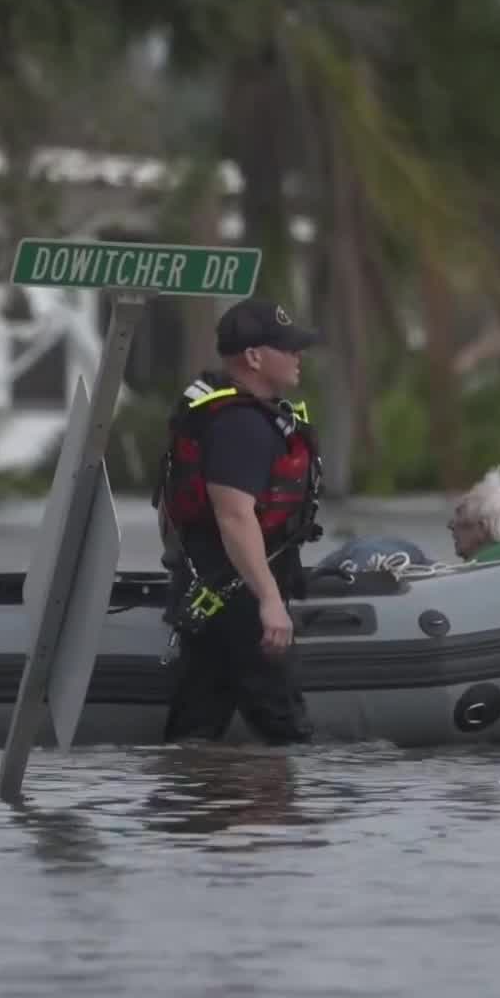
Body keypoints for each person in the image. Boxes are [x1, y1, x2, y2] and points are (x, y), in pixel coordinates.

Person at [152, 296, 325, 745]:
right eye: (287, 347)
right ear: (253, 356)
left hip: (211, 596)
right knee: (289, 739)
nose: (297, 356)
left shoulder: (235, 417)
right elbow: (234, 516)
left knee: (194, 733)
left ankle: (191, 809)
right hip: (241, 605)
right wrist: (270, 600)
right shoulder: (241, 426)